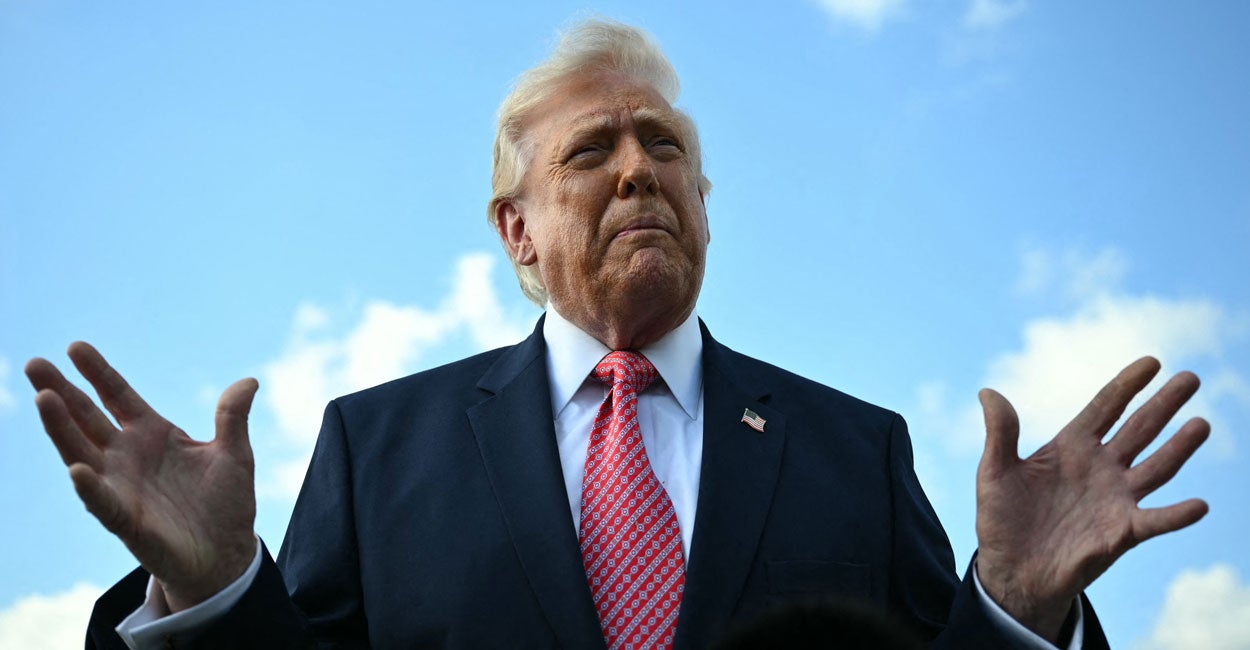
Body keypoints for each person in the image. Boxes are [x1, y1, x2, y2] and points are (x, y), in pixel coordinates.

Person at [26, 19, 1210, 650]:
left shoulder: (854, 449)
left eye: (666, 149)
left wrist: (1011, 607)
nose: (639, 170)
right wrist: (218, 590)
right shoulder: (377, 446)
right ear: (515, 231)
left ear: (704, 202)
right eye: (592, 151)